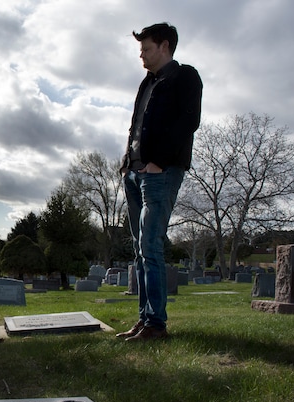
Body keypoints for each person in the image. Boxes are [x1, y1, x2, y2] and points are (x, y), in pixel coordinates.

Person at [118, 23, 203, 341]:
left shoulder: (185, 77)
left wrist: (158, 162)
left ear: (164, 46)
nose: (141, 54)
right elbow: (136, 126)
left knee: (150, 247)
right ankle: (144, 320)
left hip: (160, 173)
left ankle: (156, 325)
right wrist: (128, 164)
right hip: (134, 174)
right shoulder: (147, 82)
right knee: (140, 251)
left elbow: (188, 121)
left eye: (146, 48)